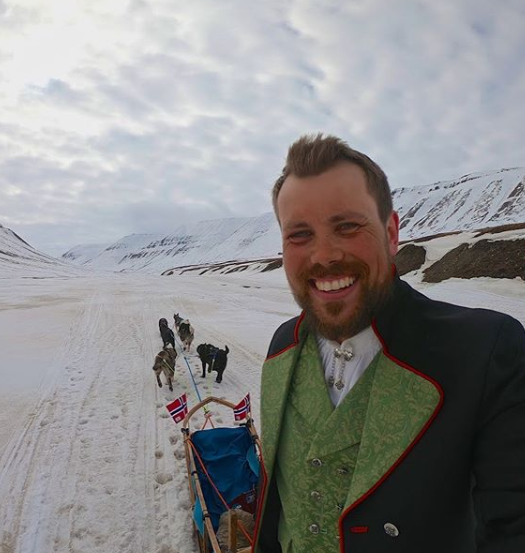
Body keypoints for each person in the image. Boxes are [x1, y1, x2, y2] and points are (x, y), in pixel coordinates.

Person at [252, 134, 525, 553]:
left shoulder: (487, 352)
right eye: (300, 235)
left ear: (391, 232)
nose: (324, 256)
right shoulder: (281, 346)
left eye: (347, 226)